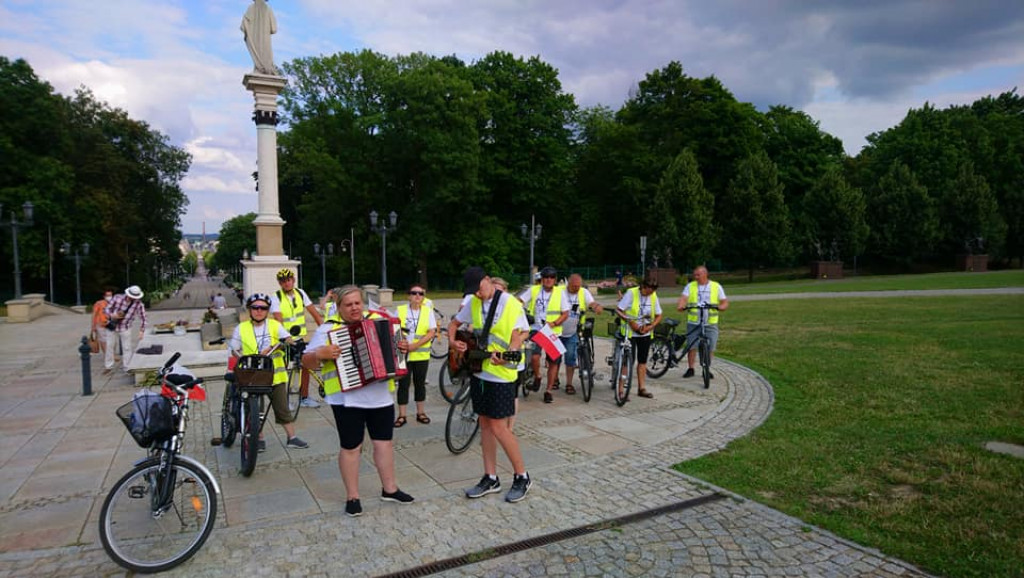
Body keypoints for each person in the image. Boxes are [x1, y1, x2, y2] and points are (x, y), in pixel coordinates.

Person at [302, 286, 415, 517]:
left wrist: (403, 348)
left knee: (384, 444)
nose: (354, 308)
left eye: (357, 303)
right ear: (339, 307)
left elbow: (399, 352)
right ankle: (352, 496)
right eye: (348, 305)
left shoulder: (380, 320)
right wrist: (320, 355)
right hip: (346, 400)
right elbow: (306, 361)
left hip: (380, 397)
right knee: (351, 447)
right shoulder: (328, 329)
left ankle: (390, 489)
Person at [450, 267, 532, 503]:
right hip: (479, 372)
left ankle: (522, 476)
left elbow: (519, 335)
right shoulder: (473, 302)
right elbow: (454, 324)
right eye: (472, 292)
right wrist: (454, 342)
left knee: (499, 427)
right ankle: (490, 477)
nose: (476, 295)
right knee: (484, 423)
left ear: (487, 281)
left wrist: (509, 354)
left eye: (479, 289)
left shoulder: (509, 303)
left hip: (502, 374)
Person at [227, 293, 309, 451]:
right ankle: (259, 438)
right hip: (251, 375)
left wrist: (281, 344)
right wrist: (242, 355)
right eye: (255, 308)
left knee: (282, 407)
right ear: (249, 310)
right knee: (255, 409)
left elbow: (288, 339)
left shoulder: (274, 325)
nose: (259, 311)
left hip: (274, 375)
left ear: (267, 310)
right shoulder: (241, 327)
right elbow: (234, 349)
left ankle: (292, 437)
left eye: (263, 308)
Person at [271, 269, 324, 408]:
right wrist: (285, 337)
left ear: (293, 280)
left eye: (288, 280)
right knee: (281, 370)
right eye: (283, 281)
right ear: (280, 283)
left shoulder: (300, 293)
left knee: (305, 365)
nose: (286, 283)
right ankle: (282, 401)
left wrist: (325, 331)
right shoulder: (276, 297)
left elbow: (315, 314)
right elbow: (278, 319)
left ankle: (304, 397)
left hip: (299, 338)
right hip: (284, 340)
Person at [518, 266, 569, 403]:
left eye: (551, 277)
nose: (548, 280)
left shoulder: (560, 293)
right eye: (545, 277)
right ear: (541, 279)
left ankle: (548, 390)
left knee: (554, 363)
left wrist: (555, 323)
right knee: (534, 356)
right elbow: (518, 302)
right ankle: (538, 376)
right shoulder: (534, 290)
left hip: (553, 332)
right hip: (536, 328)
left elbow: (565, 313)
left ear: (555, 280)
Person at [394, 284, 436, 427]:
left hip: (421, 355)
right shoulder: (400, 310)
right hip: (403, 353)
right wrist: (403, 342)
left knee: (420, 383)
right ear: (409, 296)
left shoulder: (427, 311)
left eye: (421, 294)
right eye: (414, 293)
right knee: (403, 384)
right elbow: (394, 328)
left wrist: (415, 345)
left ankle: (420, 412)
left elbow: (431, 332)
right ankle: (402, 415)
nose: (417, 296)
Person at [615, 274, 663, 401]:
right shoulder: (631, 293)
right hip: (630, 333)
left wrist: (651, 326)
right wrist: (632, 323)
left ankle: (642, 388)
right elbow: (620, 309)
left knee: (642, 361)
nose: (650, 294)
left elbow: (659, 315)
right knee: (627, 362)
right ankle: (621, 390)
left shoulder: (653, 296)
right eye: (648, 290)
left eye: (652, 291)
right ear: (643, 286)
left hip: (645, 333)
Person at [677, 265, 729, 378]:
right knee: (692, 346)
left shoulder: (716, 286)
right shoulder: (690, 286)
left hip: (710, 322)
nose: (695, 277)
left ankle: (707, 369)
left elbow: (724, 302)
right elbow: (684, 298)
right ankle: (691, 368)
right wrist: (681, 305)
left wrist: (721, 307)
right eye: (694, 275)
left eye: (698, 275)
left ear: (705, 274)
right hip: (694, 322)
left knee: (710, 346)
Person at [561, 274, 604, 393]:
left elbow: (591, 302)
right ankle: (554, 380)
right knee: (554, 359)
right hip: (557, 331)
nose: (576, 288)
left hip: (573, 330)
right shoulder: (560, 292)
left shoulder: (583, 292)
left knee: (570, 357)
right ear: (568, 284)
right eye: (574, 286)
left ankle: (569, 384)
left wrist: (596, 307)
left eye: (578, 286)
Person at [103, 285, 148, 374]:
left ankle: (127, 367)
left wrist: (142, 330)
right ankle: (108, 366)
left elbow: (144, 318)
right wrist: (112, 315)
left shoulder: (138, 304)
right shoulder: (117, 298)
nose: (133, 298)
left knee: (127, 348)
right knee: (109, 346)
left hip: (125, 327)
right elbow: (107, 309)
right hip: (112, 325)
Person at [240, 0, 278, 74]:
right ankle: (266, 68)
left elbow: (243, 26)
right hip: (266, 42)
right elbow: (274, 29)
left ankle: (259, 67)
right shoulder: (268, 9)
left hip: (255, 42)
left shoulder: (251, 8)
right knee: (266, 55)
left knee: (258, 54)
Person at [91, 288, 115, 361]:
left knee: (112, 340)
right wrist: (93, 325)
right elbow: (94, 314)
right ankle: (107, 356)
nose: (109, 297)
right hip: (100, 324)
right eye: (108, 295)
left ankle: (111, 355)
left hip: (110, 324)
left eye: (110, 295)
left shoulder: (114, 303)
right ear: (104, 296)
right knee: (103, 340)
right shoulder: (99, 303)